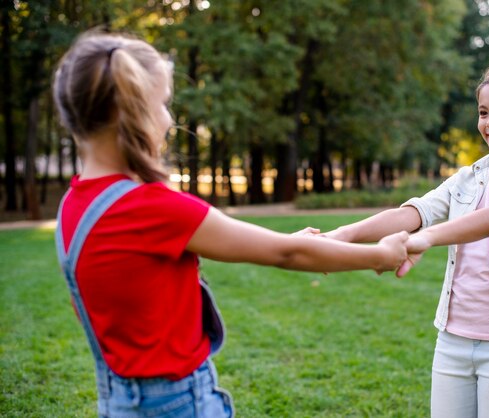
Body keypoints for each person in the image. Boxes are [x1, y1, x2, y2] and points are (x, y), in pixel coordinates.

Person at [52, 31, 412, 418]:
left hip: (119, 401)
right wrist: (379, 253)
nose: (169, 119)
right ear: (133, 113)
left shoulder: (75, 206)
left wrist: (279, 239)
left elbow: (218, 244)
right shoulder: (152, 208)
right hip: (177, 403)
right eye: (163, 104)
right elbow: (286, 253)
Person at [310, 62, 489, 417]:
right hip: (452, 338)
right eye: (483, 112)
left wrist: (422, 241)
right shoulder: (471, 175)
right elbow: (415, 212)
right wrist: (339, 236)